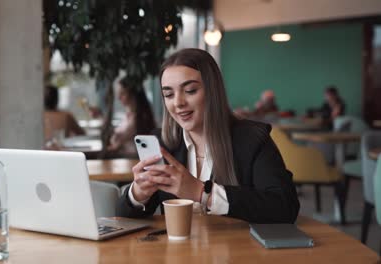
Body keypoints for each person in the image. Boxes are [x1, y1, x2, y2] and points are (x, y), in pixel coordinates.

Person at [116, 49, 300, 223]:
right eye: (169, 94)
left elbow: (285, 207)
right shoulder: (163, 143)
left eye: (190, 91)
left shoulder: (252, 139)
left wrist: (203, 193)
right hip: (180, 254)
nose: (178, 103)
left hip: (241, 253)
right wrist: (138, 194)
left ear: (213, 91)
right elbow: (124, 216)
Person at [108, 76, 156, 157]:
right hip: (126, 158)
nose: (119, 97)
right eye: (118, 93)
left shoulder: (139, 119)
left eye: (122, 93)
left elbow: (116, 144)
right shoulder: (129, 115)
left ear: (133, 93)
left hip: (132, 159)